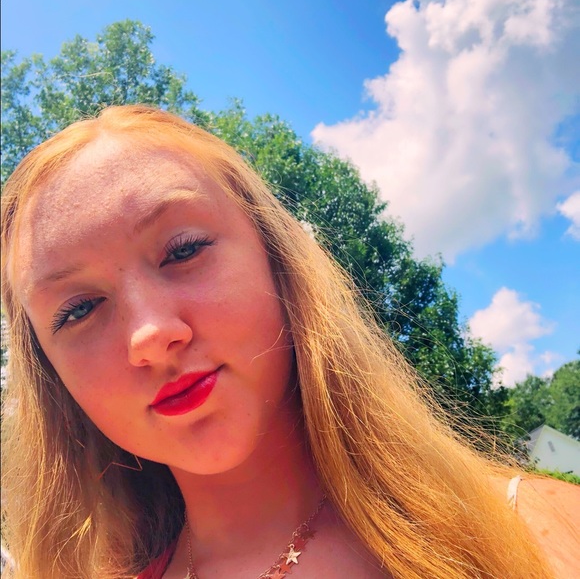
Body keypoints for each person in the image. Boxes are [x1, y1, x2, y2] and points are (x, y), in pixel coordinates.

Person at [0, 105, 577, 579]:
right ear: (54, 378)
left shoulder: (534, 529)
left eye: (183, 250)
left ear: (277, 260)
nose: (150, 335)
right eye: (78, 309)